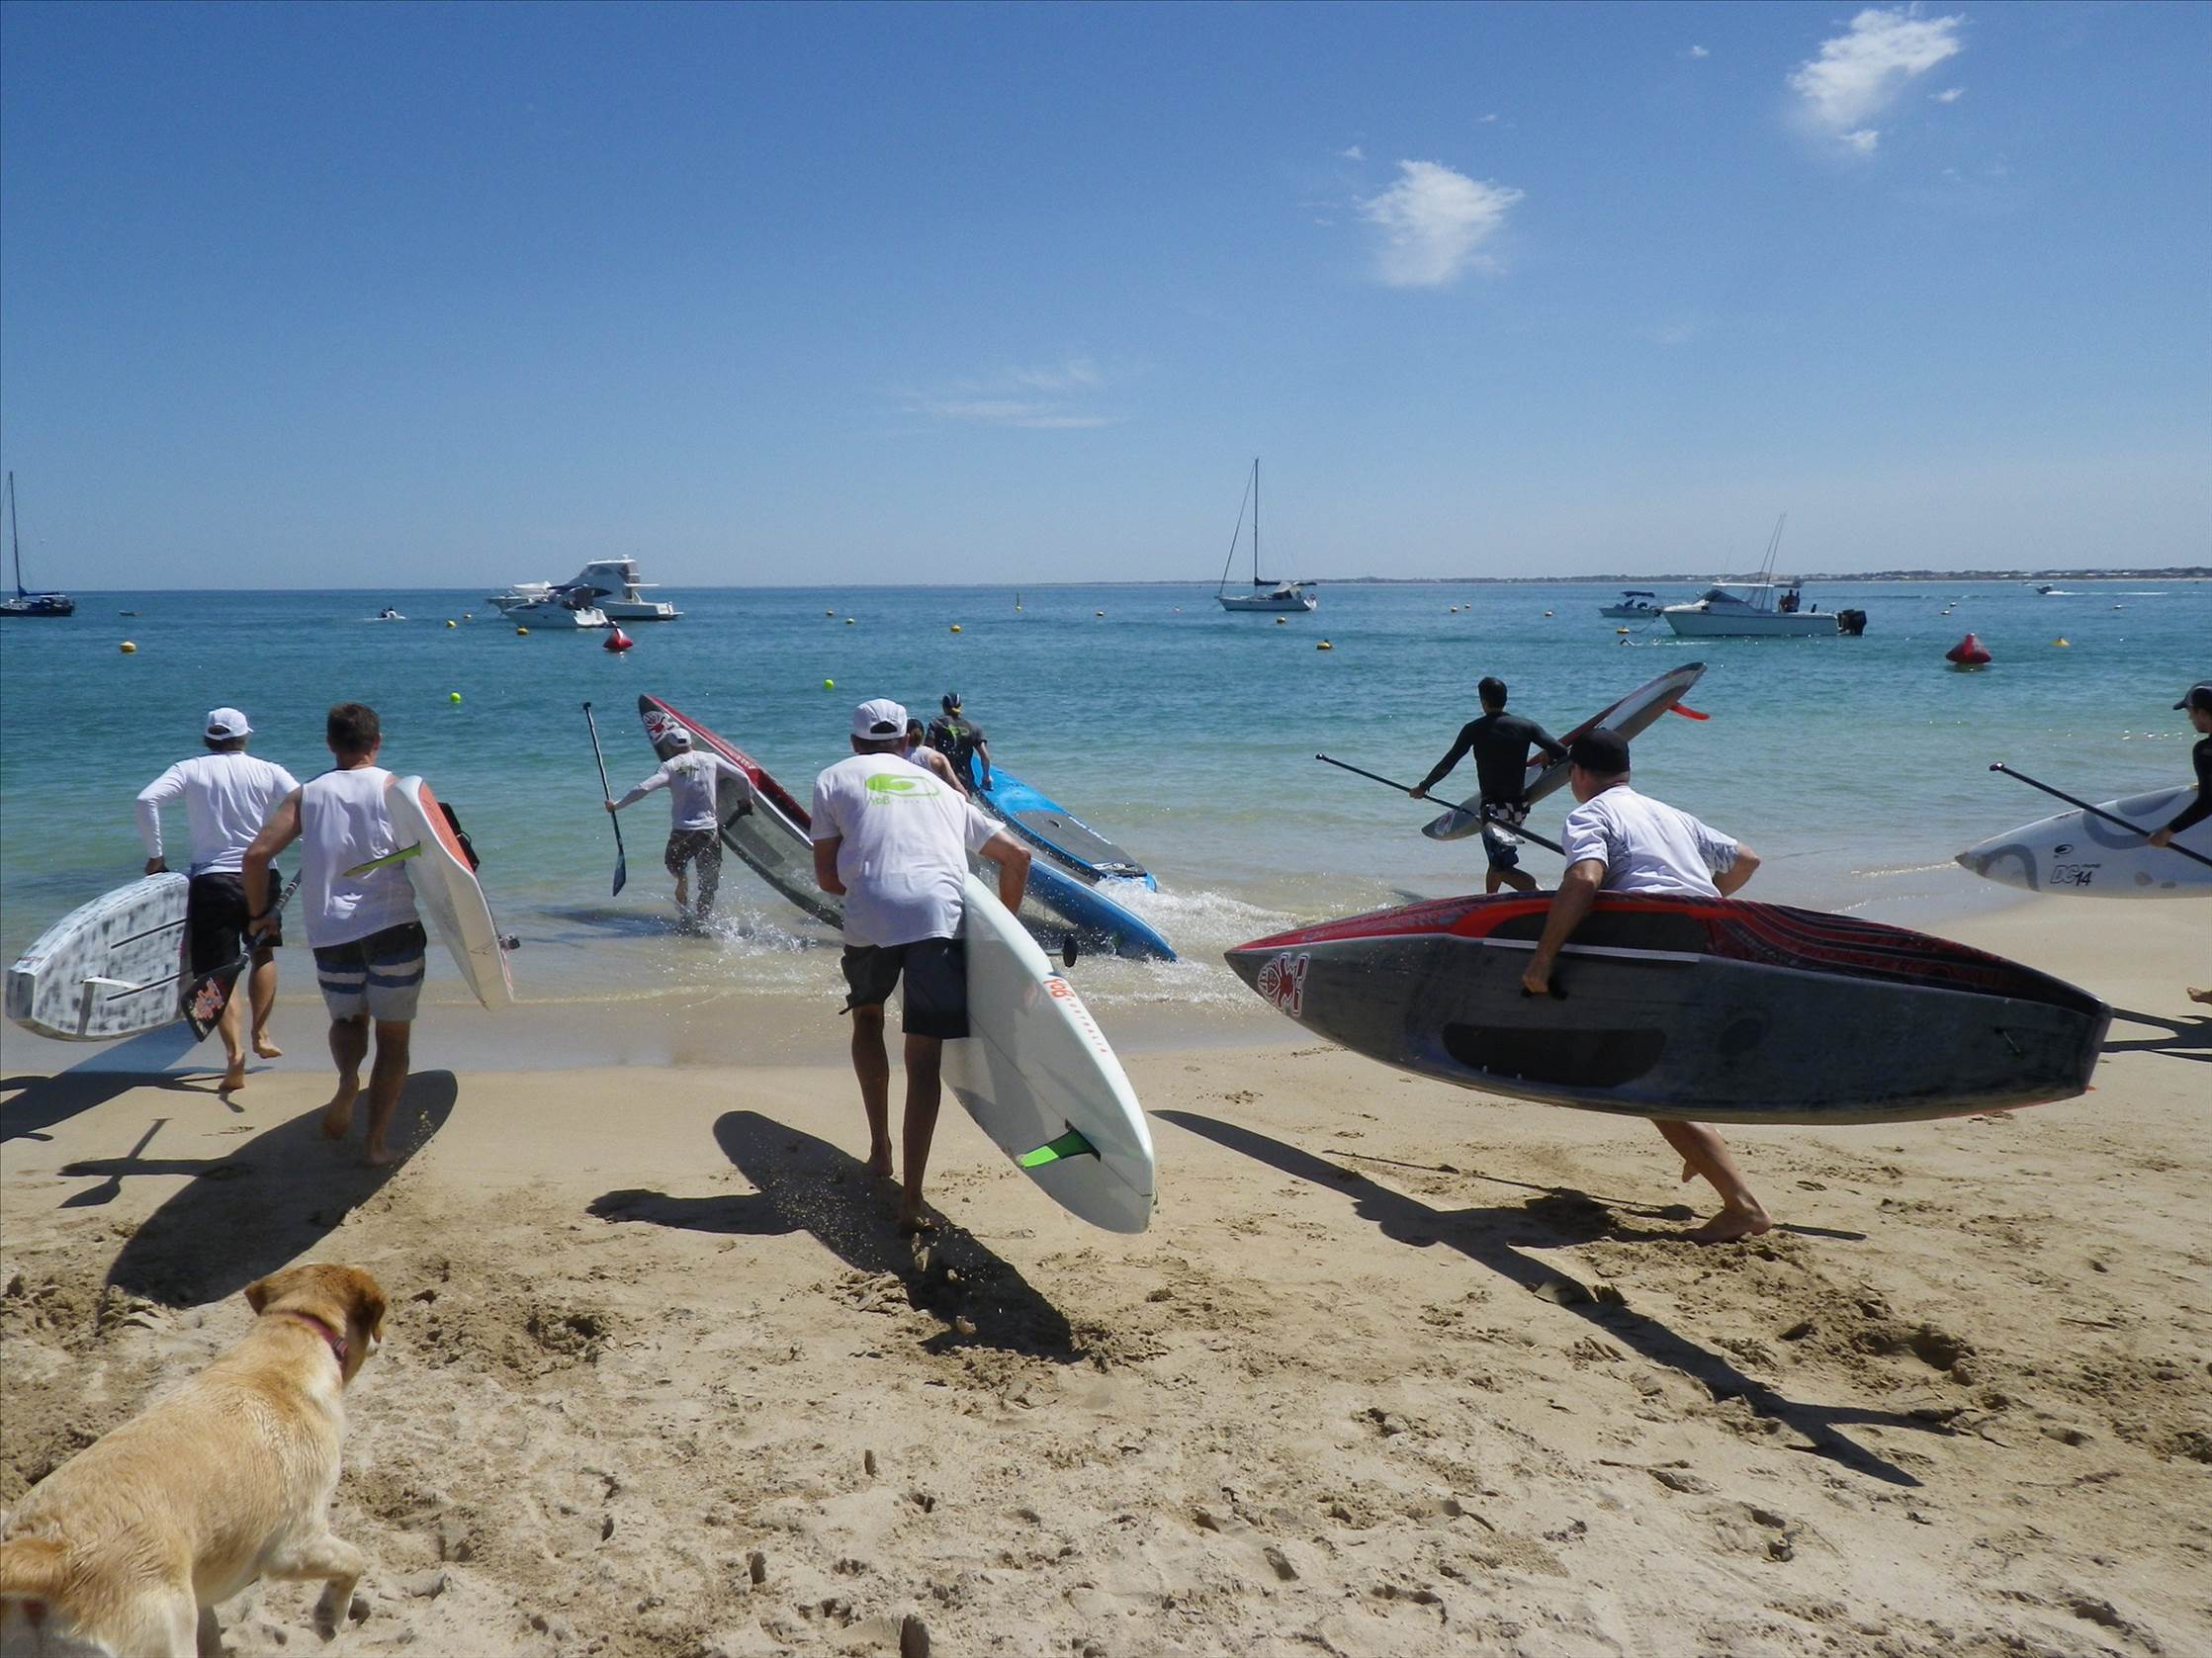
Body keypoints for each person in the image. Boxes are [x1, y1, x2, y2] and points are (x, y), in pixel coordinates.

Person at [1520, 728, 1771, 1243]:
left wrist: (1543, 959)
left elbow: (1584, 878)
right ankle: (1702, 1151)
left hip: (1658, 957)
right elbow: (1747, 859)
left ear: (1578, 774)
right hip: (1712, 951)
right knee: (1661, 1074)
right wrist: (1701, 906)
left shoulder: (1590, 814)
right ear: (1626, 771)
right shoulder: (1670, 815)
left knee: (1642, 1082)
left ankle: (1743, 1206)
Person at [811, 698, 1032, 1233]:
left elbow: (827, 878)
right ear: (907, 741)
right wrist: (999, 936)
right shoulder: (943, 790)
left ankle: (879, 1152)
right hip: (940, 915)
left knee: (868, 1018)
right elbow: (1018, 857)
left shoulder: (832, 778)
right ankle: (912, 1200)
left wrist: (874, 889)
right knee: (924, 1058)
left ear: (855, 743)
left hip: (870, 917)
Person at [242, 703, 423, 1167]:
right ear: (377, 742)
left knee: (347, 1022)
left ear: (330, 744)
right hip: (393, 926)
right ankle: (375, 1144)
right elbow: (436, 854)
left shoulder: (306, 795)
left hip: (331, 933)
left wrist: (260, 914)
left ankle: (347, 1082)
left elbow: (256, 855)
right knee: (393, 1038)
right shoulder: (395, 789)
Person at [134, 707, 301, 1092]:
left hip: (212, 881)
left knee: (217, 970)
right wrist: (316, 847)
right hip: (262, 874)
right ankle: (262, 1034)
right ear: (245, 736)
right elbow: (306, 806)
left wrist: (156, 856)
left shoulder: (189, 769)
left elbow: (146, 801)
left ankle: (234, 1055)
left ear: (208, 737)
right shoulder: (268, 770)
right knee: (263, 954)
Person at [1411, 677, 1569, 894]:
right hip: (1519, 807)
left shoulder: (1474, 729)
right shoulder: (1526, 726)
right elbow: (1562, 752)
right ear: (1505, 699)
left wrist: (1424, 786)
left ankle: (1543, 897)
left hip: (1493, 810)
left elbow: (1449, 762)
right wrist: (1547, 758)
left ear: (1483, 701)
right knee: (1496, 860)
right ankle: (1490, 900)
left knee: (1501, 868)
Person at [605, 727, 754, 924]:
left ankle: (682, 879)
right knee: (708, 885)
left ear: (670, 747)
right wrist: (746, 799)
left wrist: (617, 805)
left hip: (682, 831)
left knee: (673, 864)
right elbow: (743, 777)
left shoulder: (670, 766)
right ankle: (702, 921)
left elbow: (643, 788)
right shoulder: (711, 759)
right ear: (691, 742)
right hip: (709, 831)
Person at [2147, 681, 2210, 1004]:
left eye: (2191, 713)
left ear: (2204, 713)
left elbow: (2209, 802)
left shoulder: (2206, 750)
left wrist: (2168, 831)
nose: (2189, 719)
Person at [926, 692, 994, 792]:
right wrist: (986, 777)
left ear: (944, 707)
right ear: (960, 707)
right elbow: (985, 756)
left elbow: (927, 751)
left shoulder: (936, 723)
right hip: (966, 781)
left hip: (944, 779)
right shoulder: (974, 727)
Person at [903, 717, 966, 792]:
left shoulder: (895, 755)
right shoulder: (936, 758)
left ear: (904, 735)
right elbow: (956, 786)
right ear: (923, 735)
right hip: (932, 796)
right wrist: (967, 799)